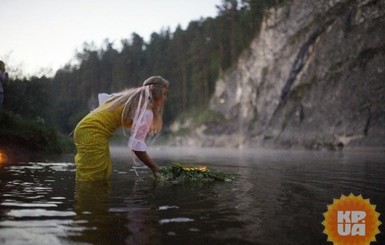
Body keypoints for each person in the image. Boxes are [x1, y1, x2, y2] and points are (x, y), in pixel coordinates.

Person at [73, 76, 169, 181]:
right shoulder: (145, 111)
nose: (165, 98)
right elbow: (136, 146)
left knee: (102, 172)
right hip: (92, 132)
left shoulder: (129, 99)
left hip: (87, 129)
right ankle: (87, 196)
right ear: (157, 93)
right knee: (93, 177)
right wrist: (154, 167)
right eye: (164, 94)